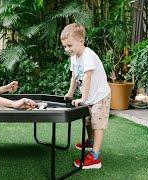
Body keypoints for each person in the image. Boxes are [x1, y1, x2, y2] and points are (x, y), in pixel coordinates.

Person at [60, 23, 111, 169]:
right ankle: (90, 142)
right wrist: (70, 93)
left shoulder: (88, 55)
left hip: (100, 96)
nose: (67, 49)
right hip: (90, 97)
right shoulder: (74, 57)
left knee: (97, 124)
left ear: (81, 41)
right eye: (64, 46)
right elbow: (74, 76)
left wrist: (83, 98)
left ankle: (95, 157)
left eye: (69, 45)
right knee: (87, 120)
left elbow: (87, 78)